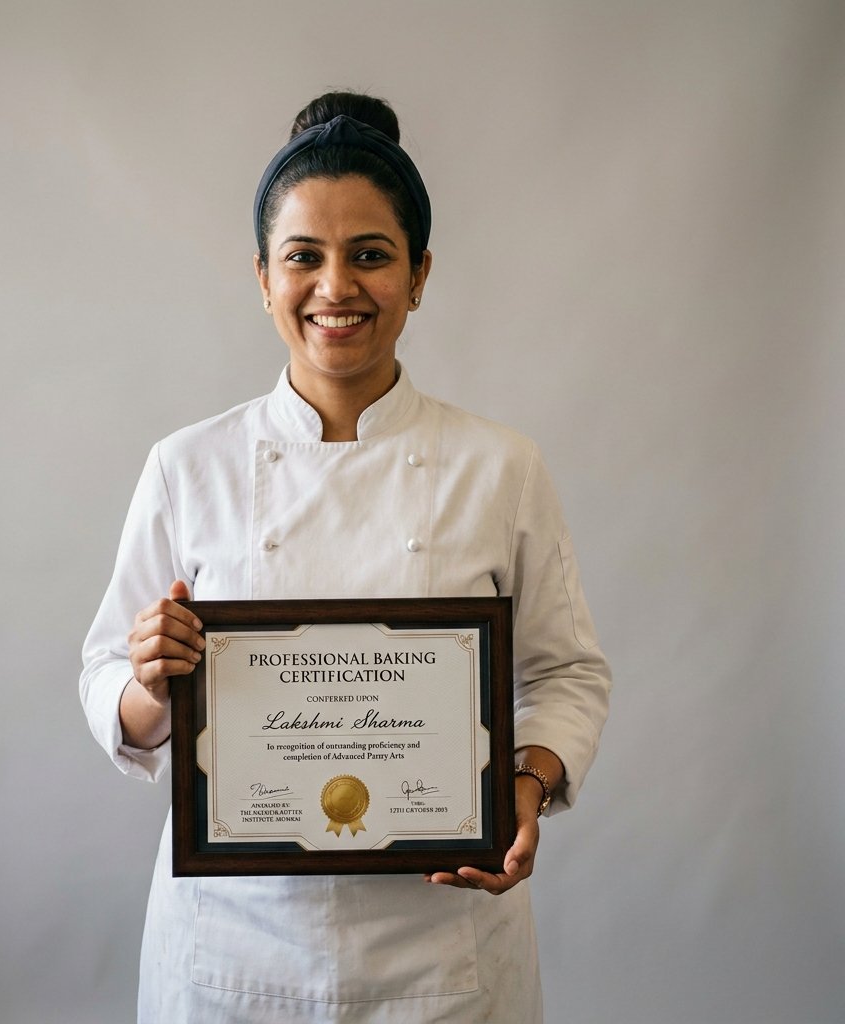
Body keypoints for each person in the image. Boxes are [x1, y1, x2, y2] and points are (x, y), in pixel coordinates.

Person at [80, 91, 610, 1023]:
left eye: (371, 255)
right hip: (234, 945)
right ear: (261, 276)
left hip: (444, 952)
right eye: (304, 257)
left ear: (419, 274)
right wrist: (150, 683)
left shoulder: (500, 466)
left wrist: (524, 786)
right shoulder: (186, 465)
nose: (337, 288)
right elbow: (107, 680)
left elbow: (565, 673)